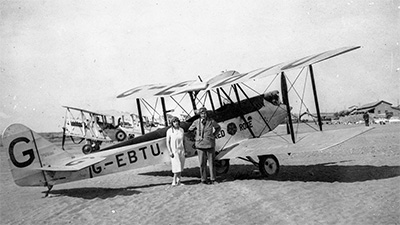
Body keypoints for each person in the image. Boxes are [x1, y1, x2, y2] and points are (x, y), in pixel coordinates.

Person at [188, 107, 221, 184]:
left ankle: (213, 179)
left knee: (212, 163)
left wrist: (214, 135)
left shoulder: (211, 121)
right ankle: (203, 179)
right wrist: (194, 137)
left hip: (210, 144)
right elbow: (189, 131)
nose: (203, 115)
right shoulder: (196, 122)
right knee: (202, 163)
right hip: (200, 145)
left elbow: (218, 128)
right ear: (200, 114)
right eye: (202, 113)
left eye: (205, 113)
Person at [166, 116, 186, 186]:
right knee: (176, 166)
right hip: (174, 150)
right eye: (174, 122)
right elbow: (167, 142)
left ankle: (179, 181)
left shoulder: (181, 130)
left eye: (177, 121)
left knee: (181, 165)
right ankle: (173, 181)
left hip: (181, 149)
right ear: (172, 123)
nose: (176, 123)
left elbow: (183, 141)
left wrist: (185, 150)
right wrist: (170, 151)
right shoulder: (169, 131)